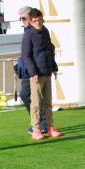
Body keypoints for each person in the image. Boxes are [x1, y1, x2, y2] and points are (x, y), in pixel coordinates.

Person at [19, 7, 61, 141]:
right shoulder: (28, 34)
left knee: (48, 103)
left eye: (40, 20)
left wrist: (54, 67)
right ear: (31, 21)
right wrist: (33, 72)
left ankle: (50, 127)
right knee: (36, 104)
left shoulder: (45, 31)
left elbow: (50, 50)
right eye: (35, 20)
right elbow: (26, 56)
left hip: (47, 72)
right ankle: (36, 129)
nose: (38, 22)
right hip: (36, 75)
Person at [13, 6, 34, 130]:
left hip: (32, 70)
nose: (22, 20)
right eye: (20, 18)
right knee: (28, 96)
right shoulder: (28, 30)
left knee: (25, 95)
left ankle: (39, 123)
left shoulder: (34, 30)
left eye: (23, 18)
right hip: (28, 68)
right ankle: (40, 123)